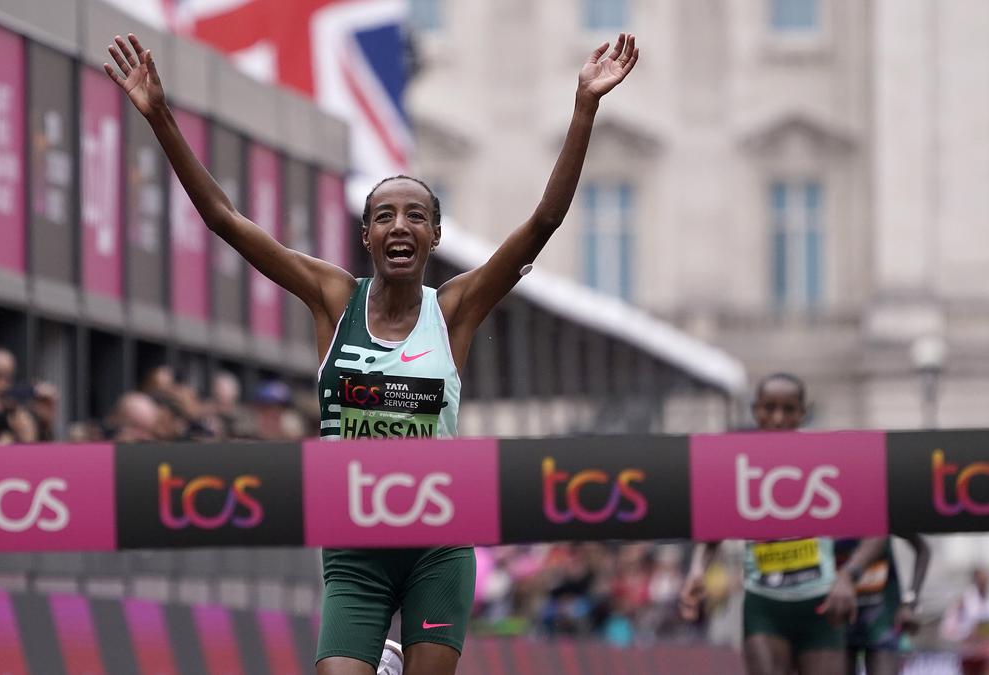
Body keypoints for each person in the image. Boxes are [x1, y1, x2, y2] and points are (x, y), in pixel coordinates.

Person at [104, 29, 639, 675]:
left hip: (437, 545)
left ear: (434, 234)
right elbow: (224, 219)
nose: (400, 226)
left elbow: (543, 222)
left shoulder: (454, 310)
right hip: (355, 545)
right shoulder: (333, 299)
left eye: (415, 216)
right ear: (366, 236)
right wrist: (160, 116)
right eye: (384, 216)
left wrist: (583, 107)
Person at [679, 373, 888, 675]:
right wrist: (697, 569)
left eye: (788, 409)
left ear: (803, 412)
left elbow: (877, 528)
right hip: (765, 608)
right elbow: (714, 531)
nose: (778, 418)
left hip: (821, 604)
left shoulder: (827, 458)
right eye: (769, 408)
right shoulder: (739, 462)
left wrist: (848, 576)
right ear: (756, 411)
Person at [836, 533, 930, 675]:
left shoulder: (883, 519)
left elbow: (923, 550)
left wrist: (910, 602)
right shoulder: (824, 519)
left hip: (883, 618)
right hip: (837, 615)